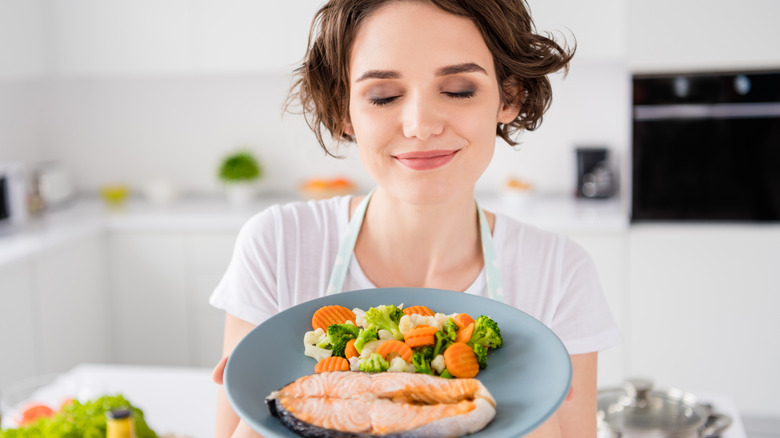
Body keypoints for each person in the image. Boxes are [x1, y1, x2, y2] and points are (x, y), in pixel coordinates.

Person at [210, 0, 621, 437]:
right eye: (383, 96)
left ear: (510, 95)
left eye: (460, 88)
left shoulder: (560, 272)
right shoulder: (277, 244)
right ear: (345, 108)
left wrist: (542, 413)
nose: (421, 125)